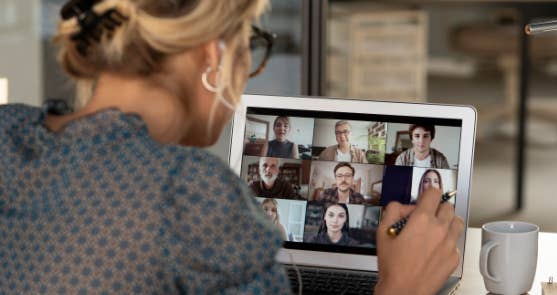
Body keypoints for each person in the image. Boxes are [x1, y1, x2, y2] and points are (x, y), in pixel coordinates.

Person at [0, 0, 463, 294]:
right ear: (212, 53)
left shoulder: (7, 131)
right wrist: (403, 285)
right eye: (250, 45)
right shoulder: (189, 193)